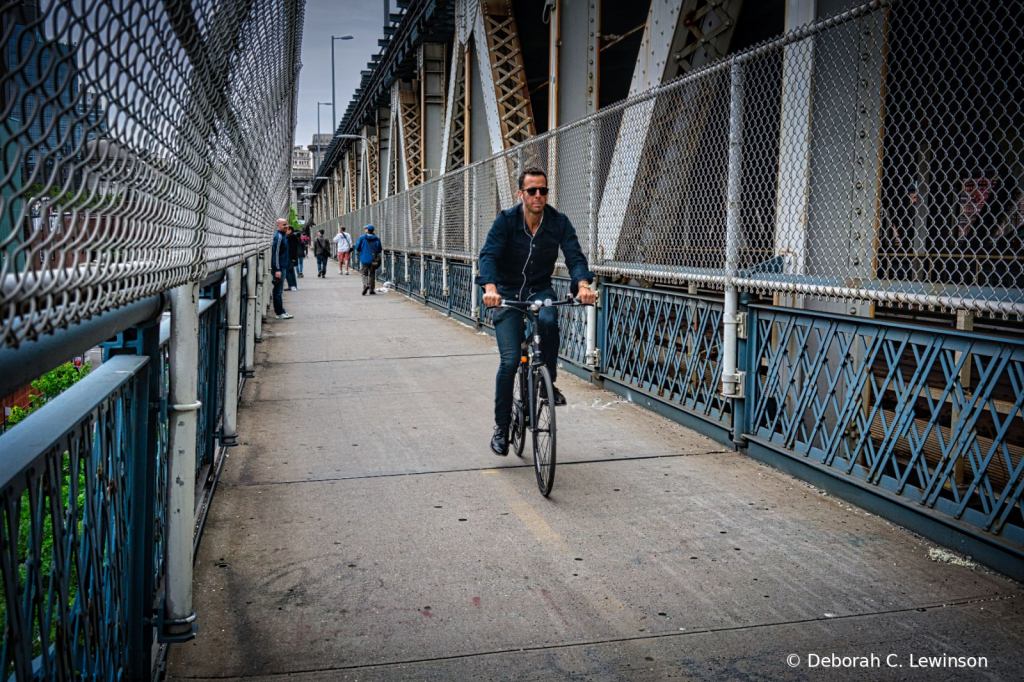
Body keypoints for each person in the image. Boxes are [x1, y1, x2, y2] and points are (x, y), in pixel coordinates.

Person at [478, 166, 596, 456]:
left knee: (549, 319)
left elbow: (574, 256)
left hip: (538, 290)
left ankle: (547, 383)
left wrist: (582, 284)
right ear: (521, 194)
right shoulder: (506, 221)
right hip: (505, 293)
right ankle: (502, 427)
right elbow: (489, 255)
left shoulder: (558, 222)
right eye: (532, 191)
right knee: (509, 362)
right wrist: (490, 288)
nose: (539, 196)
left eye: (543, 190)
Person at [271, 219, 293, 319]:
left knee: (279, 290)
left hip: (282, 266)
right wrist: (277, 269)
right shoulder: (279, 237)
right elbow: (275, 254)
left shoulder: (282, 236)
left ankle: (281, 311)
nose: (286, 226)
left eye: (286, 224)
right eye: (284, 224)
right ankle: (279, 313)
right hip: (279, 268)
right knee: (278, 291)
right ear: (278, 225)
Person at [354, 224, 382, 295]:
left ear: (367, 230)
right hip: (374, 260)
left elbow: (357, 247)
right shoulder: (377, 238)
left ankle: (365, 285)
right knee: (372, 273)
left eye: (365, 228)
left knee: (364, 273)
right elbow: (379, 249)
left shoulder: (362, 238)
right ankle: (371, 289)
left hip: (364, 259)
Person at [285, 225, 300, 290]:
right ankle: (293, 285)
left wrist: (293, 258)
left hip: (289, 256)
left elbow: (292, 248)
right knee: (291, 271)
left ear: (290, 230)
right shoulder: (293, 237)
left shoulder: (290, 237)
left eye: (287, 229)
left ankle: (291, 285)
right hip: (292, 256)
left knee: (287, 270)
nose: (286, 231)